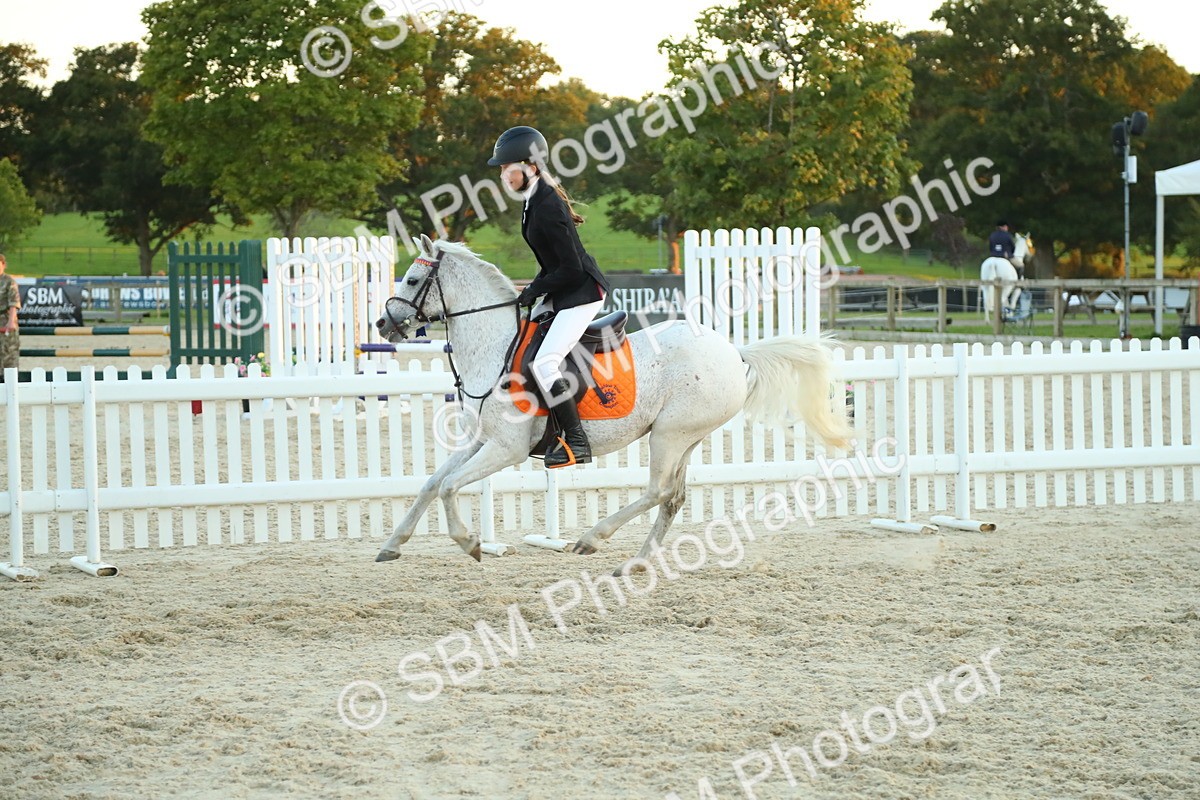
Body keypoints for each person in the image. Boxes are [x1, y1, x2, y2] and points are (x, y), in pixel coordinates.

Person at [489, 125, 612, 468]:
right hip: (565, 289)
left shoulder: (547, 206)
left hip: (583, 292)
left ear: (529, 165)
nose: (503, 174)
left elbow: (571, 269)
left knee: (544, 363)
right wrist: (531, 290)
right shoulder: (534, 199)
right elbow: (553, 264)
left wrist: (535, 290)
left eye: (506, 167)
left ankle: (576, 441)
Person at [0, 253, 20, 373]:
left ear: (3, 265)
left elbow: (14, 303)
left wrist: (11, 321)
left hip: (6, 319)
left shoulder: (9, 281)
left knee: (8, 355)